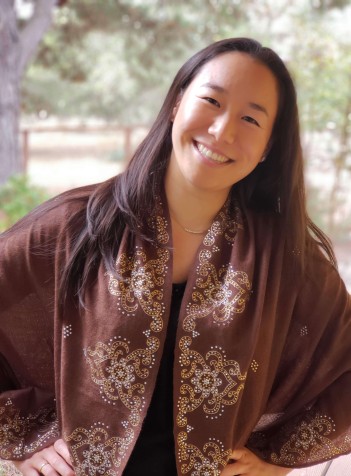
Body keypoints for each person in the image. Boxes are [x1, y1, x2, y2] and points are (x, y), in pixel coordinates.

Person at [0, 37, 350, 476]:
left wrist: (276, 462)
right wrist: (23, 442)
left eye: (250, 118)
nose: (223, 131)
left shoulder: (286, 258)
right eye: (211, 101)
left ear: (267, 148)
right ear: (177, 103)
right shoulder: (76, 227)